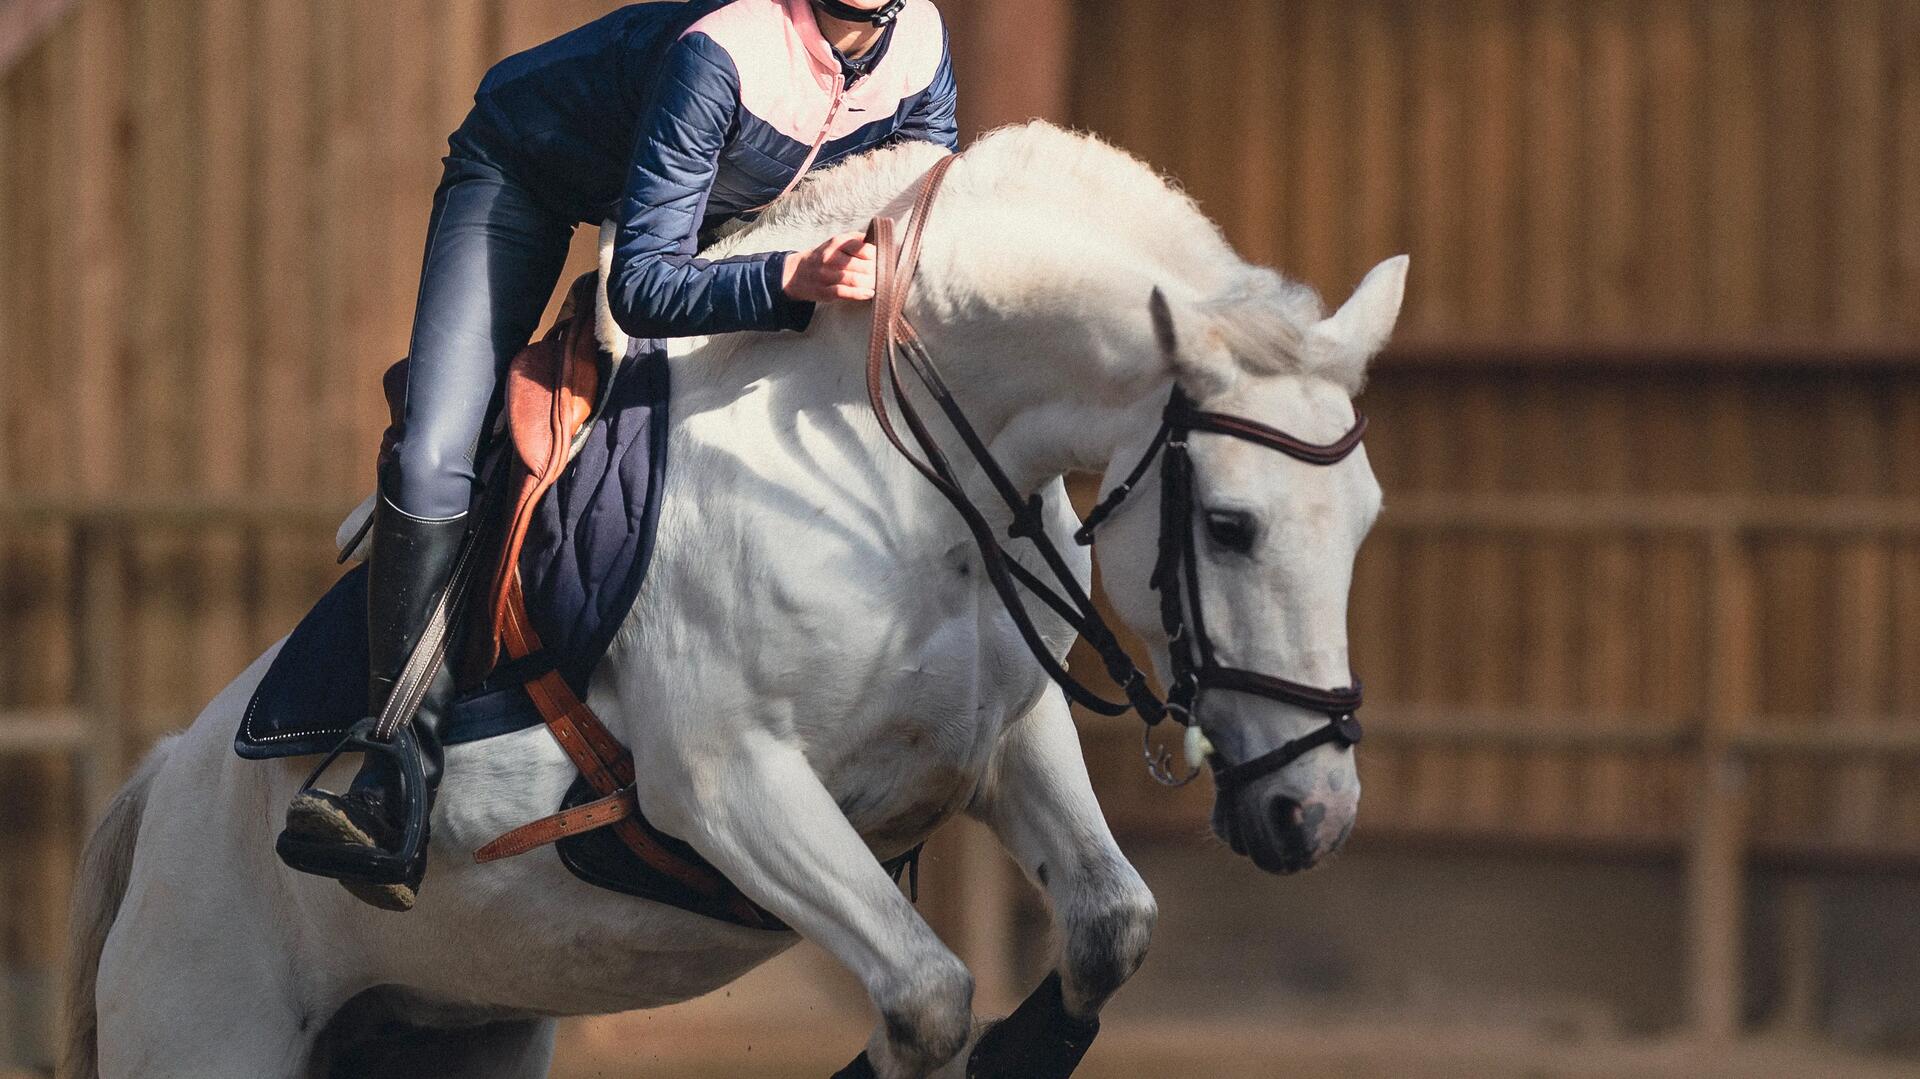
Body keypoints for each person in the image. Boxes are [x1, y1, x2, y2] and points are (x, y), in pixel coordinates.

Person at [277, 0, 959, 912]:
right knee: (438, 448)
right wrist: (789, 277)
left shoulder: (920, 44)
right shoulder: (723, 54)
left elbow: (925, 208)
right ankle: (393, 769)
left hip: (712, 212)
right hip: (523, 171)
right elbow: (640, 286)